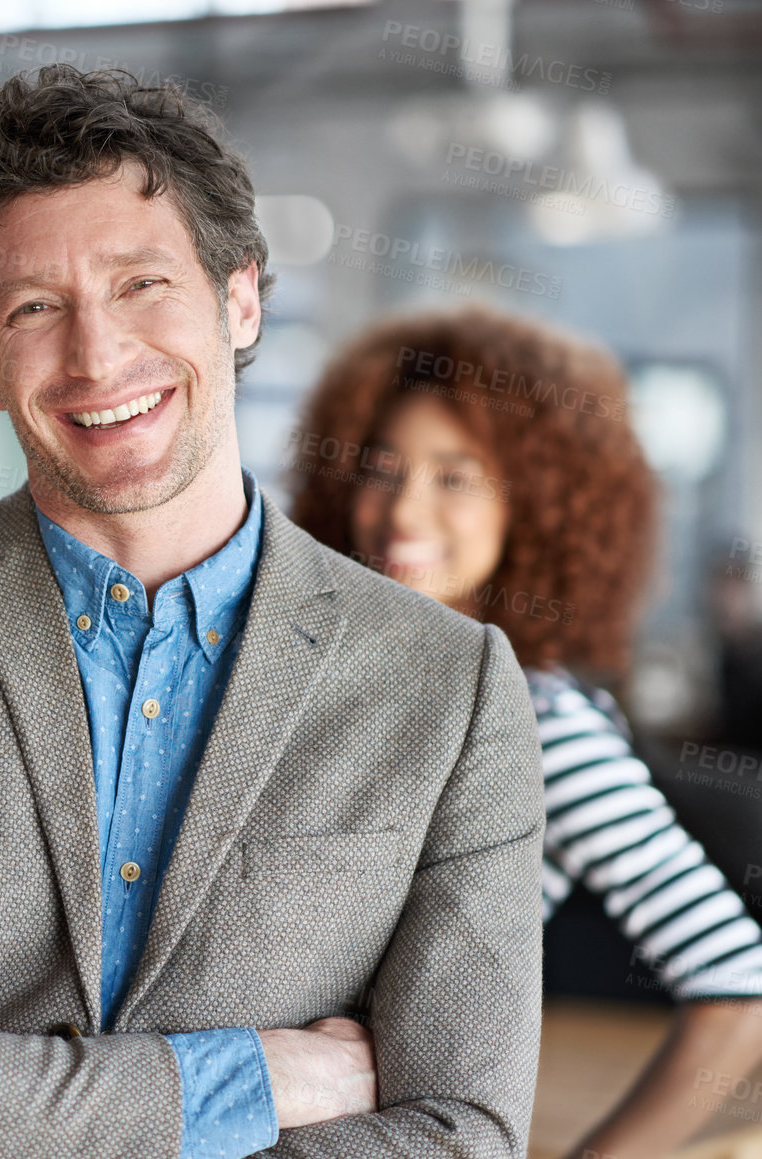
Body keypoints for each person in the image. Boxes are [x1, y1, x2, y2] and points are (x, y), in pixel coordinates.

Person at [0, 66, 543, 1159]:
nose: (98, 355)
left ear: (240, 296)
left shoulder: (449, 687)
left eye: (141, 284)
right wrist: (257, 1076)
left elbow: (461, 1136)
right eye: (34, 309)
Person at [288, 305, 762, 1159]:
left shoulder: (539, 718)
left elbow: (738, 983)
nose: (402, 511)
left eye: (455, 476)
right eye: (381, 468)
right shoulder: (349, 679)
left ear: (534, 509)